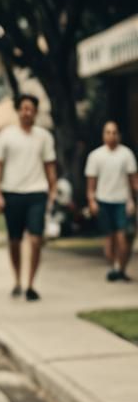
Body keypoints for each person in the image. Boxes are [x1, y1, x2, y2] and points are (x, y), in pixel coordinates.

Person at [0, 94, 57, 301]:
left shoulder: (44, 137)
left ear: (36, 112)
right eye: (23, 109)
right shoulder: (6, 136)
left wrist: (52, 192)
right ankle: (17, 279)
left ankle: (31, 284)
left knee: (36, 239)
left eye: (31, 109)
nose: (27, 113)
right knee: (14, 240)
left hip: (37, 192)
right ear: (18, 111)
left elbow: (50, 167)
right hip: (12, 193)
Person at [85, 120, 138, 282]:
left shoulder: (126, 154)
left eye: (114, 132)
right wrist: (92, 201)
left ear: (119, 135)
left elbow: (133, 181)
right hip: (104, 201)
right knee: (109, 240)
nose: (111, 135)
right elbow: (91, 184)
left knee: (123, 237)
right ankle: (115, 266)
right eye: (108, 132)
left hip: (122, 201)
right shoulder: (95, 156)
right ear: (103, 135)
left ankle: (120, 269)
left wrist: (132, 200)